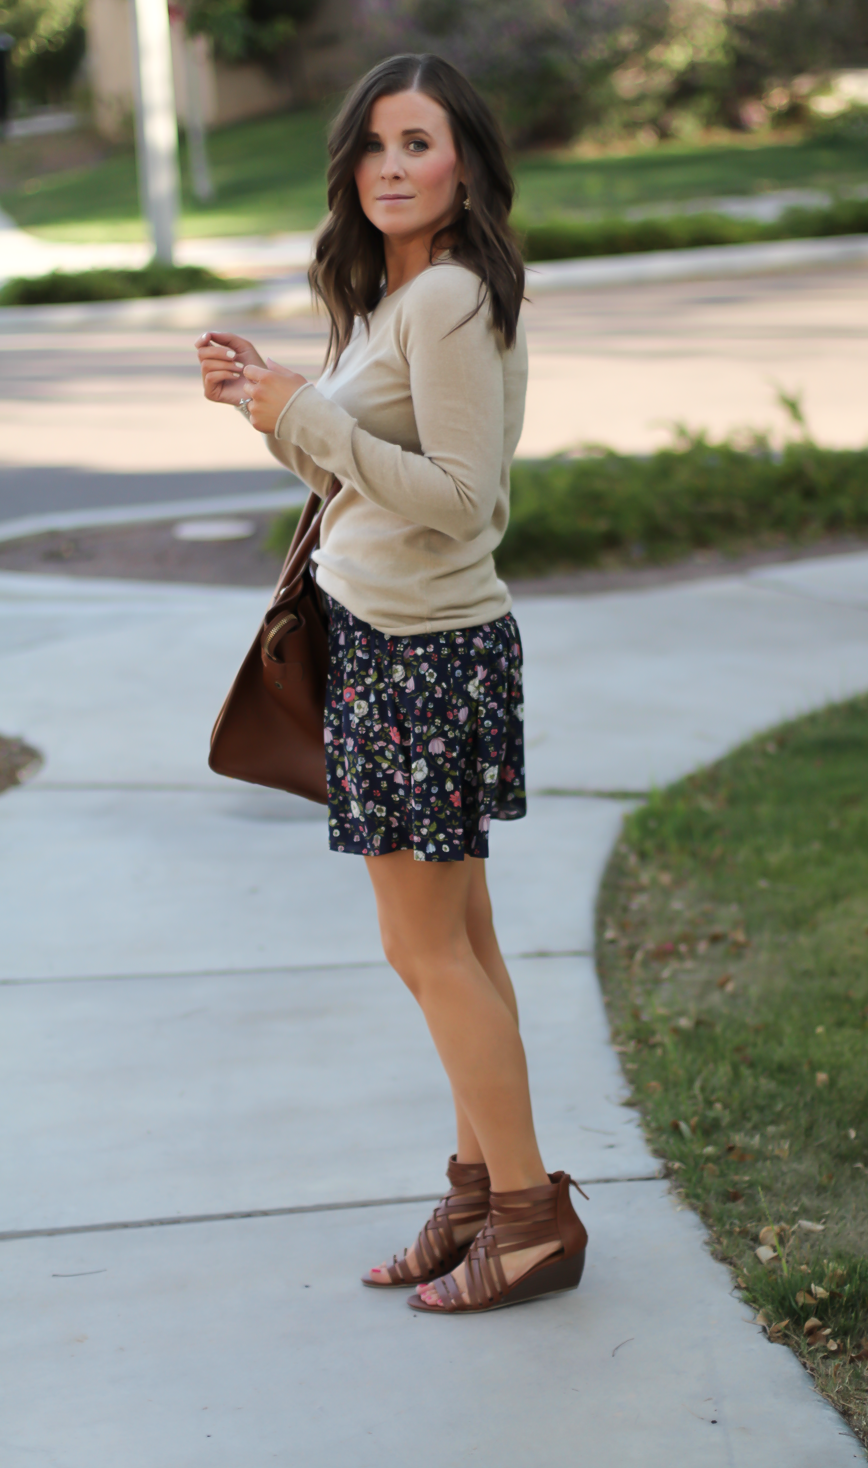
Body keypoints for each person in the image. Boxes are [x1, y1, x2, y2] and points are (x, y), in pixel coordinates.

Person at [195, 52, 586, 1315]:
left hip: (422, 652)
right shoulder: (393, 298)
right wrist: (276, 405)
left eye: (417, 142)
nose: (390, 168)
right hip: (396, 641)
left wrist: (304, 412)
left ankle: (528, 1217)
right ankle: (485, 1190)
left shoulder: (452, 298)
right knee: (455, 938)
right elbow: (369, 485)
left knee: (423, 947)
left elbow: (463, 502)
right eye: (372, 146)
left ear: (465, 157)